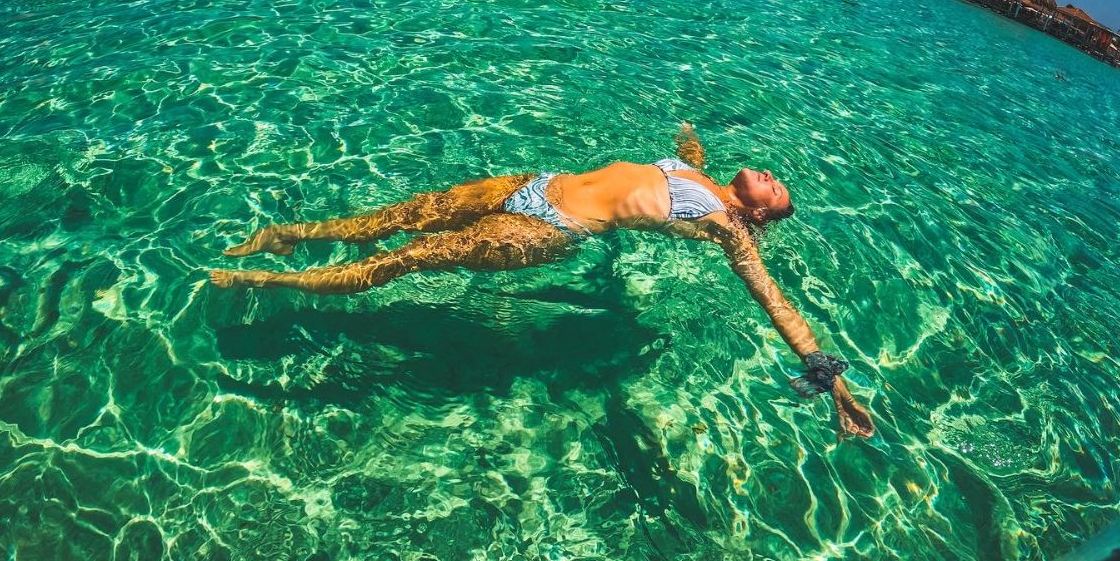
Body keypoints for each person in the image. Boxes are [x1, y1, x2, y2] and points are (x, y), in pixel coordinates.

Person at [211, 123, 875, 438]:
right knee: (398, 216)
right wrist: (691, 143)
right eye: (775, 178)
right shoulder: (700, 172)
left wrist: (832, 381)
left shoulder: (731, 230)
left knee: (409, 257)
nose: (772, 175)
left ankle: (271, 279)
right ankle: (290, 237)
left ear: (758, 213)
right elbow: (674, 169)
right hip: (535, 183)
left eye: (776, 190)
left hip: (547, 231)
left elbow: (775, 303)